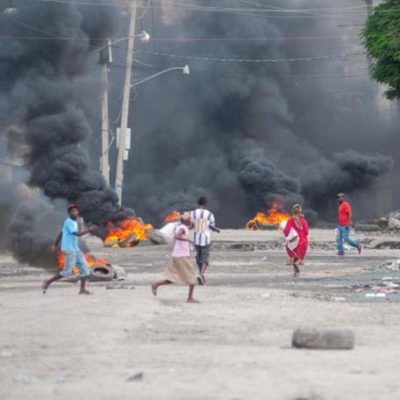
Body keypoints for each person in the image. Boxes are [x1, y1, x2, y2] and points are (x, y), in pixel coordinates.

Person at [42, 204, 96, 295]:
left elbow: (61, 233)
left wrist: (55, 244)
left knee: (85, 269)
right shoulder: (69, 222)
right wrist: (89, 230)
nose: (75, 212)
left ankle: (82, 290)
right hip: (69, 249)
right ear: (69, 213)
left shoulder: (73, 222)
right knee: (67, 272)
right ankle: (47, 282)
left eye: (76, 211)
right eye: (73, 211)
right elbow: (76, 234)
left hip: (75, 248)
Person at [151, 212, 199, 303]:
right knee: (191, 276)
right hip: (182, 256)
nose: (191, 220)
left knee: (172, 278)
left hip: (177, 255)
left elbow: (191, 226)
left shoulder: (181, 226)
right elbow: (177, 236)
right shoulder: (182, 228)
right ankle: (190, 298)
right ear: (186, 220)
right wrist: (187, 240)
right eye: (189, 219)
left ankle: (156, 284)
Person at [190, 196, 220, 285]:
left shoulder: (193, 213)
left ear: (198, 203)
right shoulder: (210, 214)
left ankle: (201, 276)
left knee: (199, 258)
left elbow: (191, 225)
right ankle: (201, 274)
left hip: (196, 239)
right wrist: (216, 229)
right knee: (205, 258)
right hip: (205, 239)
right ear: (206, 204)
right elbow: (211, 226)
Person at [283, 204, 309, 279]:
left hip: (293, 242)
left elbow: (286, 231)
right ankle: (296, 269)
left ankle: (295, 273)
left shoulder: (290, 220)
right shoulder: (303, 220)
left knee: (295, 258)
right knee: (299, 259)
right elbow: (306, 232)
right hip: (302, 241)